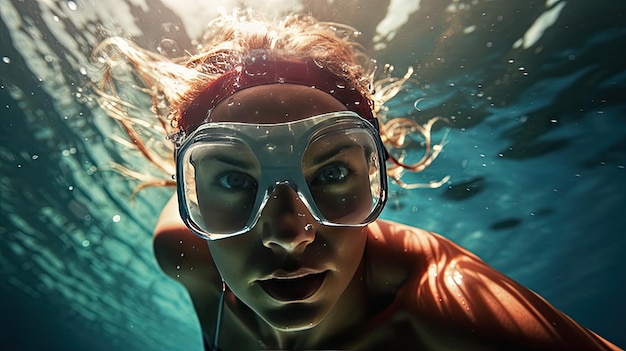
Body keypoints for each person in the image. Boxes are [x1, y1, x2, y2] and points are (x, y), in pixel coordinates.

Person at [93, 10, 621, 351]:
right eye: (232, 180)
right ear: (192, 191)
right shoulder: (185, 247)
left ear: (376, 179)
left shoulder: (443, 306)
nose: (286, 230)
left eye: (333, 172)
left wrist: (230, 176)